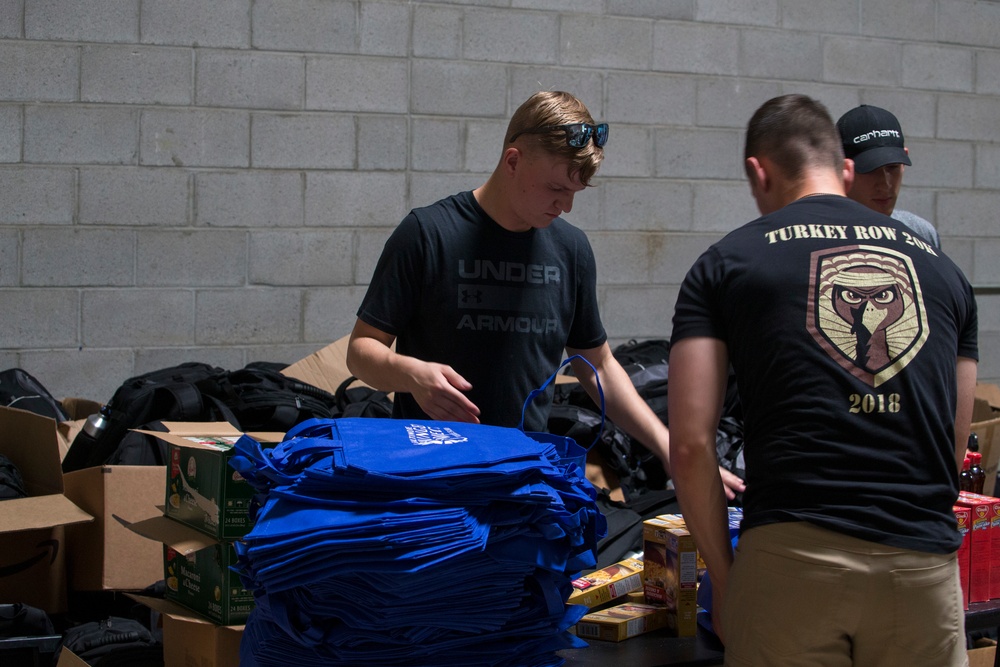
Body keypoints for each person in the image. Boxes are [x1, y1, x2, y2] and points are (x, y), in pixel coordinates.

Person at [668, 93, 978, 666]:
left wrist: (730, 580)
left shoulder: (725, 263)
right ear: (845, 170)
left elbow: (689, 446)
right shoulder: (945, 274)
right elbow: (951, 443)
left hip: (791, 566)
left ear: (757, 172)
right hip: (922, 570)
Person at [346, 90, 745, 499]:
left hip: (524, 477)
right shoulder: (427, 234)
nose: (566, 206)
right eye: (556, 188)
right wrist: (412, 375)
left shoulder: (571, 250)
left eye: (575, 192)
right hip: (428, 476)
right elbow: (361, 352)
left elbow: (600, 367)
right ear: (513, 161)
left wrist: (671, 449)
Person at [837, 104, 942, 249]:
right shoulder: (816, 234)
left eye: (892, 167)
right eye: (870, 169)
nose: (885, 184)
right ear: (843, 169)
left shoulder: (921, 234)